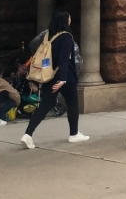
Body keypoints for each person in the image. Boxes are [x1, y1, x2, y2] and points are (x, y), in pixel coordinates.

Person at [21, 10, 86, 148]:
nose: (70, 20)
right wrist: (62, 79)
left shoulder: (47, 35)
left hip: (48, 75)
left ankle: (28, 134)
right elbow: (64, 59)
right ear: (65, 20)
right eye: (69, 18)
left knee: (45, 105)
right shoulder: (67, 37)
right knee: (73, 103)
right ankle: (74, 133)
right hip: (65, 76)